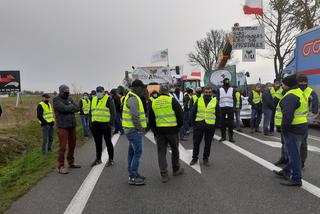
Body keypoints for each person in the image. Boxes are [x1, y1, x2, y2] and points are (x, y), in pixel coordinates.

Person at [273, 74, 308, 187]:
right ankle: (286, 171)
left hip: (293, 128)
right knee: (294, 153)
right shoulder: (299, 92)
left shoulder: (290, 96)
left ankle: (297, 178)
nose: (281, 86)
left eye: (283, 84)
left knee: (294, 155)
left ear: (287, 85)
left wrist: (284, 129)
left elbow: (288, 116)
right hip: (302, 126)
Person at [148, 84, 184, 183]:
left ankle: (164, 174)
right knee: (175, 150)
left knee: (161, 152)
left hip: (160, 131)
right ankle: (176, 170)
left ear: (159, 91)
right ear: (168, 91)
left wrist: (155, 131)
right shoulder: (172, 100)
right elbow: (180, 114)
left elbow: (151, 119)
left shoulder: (154, 102)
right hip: (172, 130)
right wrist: (179, 126)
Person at [122, 79, 147, 186]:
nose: (142, 90)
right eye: (141, 88)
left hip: (130, 129)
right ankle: (132, 177)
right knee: (138, 152)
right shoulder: (133, 98)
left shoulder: (131, 96)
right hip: (133, 130)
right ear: (136, 88)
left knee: (132, 152)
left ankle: (134, 173)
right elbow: (135, 116)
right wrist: (140, 128)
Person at [53, 84, 81, 174]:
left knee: (73, 144)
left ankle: (71, 162)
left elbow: (77, 108)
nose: (67, 92)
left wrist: (69, 108)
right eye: (65, 91)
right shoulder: (56, 99)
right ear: (61, 91)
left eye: (68, 90)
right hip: (62, 126)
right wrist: (70, 108)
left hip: (72, 125)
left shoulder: (70, 98)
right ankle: (61, 166)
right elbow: (63, 109)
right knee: (63, 146)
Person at [190, 87, 219, 166]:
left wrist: (216, 125)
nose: (208, 94)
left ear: (211, 93)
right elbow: (193, 112)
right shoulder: (199, 100)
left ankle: (205, 159)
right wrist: (193, 124)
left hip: (210, 126)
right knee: (196, 143)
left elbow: (218, 114)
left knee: (208, 143)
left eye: (209, 92)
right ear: (203, 92)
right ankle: (194, 158)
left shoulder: (215, 101)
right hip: (199, 125)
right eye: (206, 92)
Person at [90, 86, 116, 167]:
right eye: (97, 91)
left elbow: (113, 113)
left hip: (105, 125)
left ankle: (111, 159)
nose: (98, 93)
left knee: (108, 143)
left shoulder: (108, 99)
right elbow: (91, 112)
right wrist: (90, 123)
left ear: (103, 92)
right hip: (95, 125)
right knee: (98, 143)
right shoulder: (93, 99)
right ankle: (98, 159)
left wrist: (110, 124)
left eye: (100, 91)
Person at [297, 75, 319, 168]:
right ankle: (291, 160)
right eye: (301, 82)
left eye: (304, 82)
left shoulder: (311, 92)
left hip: (302, 123)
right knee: (297, 143)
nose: (302, 84)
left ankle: (301, 162)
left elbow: (315, 109)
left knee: (302, 143)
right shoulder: (294, 91)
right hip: (294, 122)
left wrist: (307, 119)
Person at [217, 78, 236, 142]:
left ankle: (231, 137)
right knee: (222, 124)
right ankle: (223, 137)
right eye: (225, 81)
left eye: (227, 81)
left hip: (230, 108)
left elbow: (234, 99)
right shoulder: (219, 89)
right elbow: (217, 99)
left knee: (231, 124)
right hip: (222, 108)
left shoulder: (232, 89)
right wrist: (218, 108)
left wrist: (234, 107)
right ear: (223, 82)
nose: (227, 82)